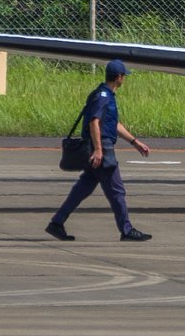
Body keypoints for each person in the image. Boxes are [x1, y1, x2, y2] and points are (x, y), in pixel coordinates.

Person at [46, 59, 152, 242]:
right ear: (119, 77)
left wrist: (135, 142)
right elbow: (94, 121)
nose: (124, 79)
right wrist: (98, 150)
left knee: (82, 189)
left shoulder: (104, 94)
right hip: (103, 149)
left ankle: (57, 222)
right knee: (117, 191)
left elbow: (113, 124)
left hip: (100, 147)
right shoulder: (103, 96)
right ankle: (126, 230)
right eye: (123, 76)